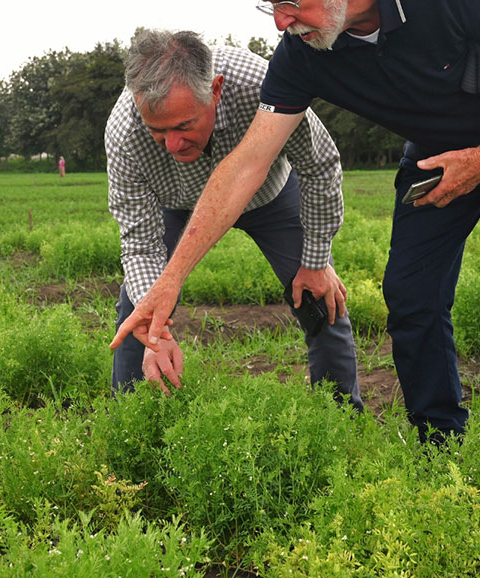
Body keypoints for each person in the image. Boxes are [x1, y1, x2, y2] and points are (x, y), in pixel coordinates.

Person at [111, 0, 480, 521]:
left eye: (288, 0)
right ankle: (438, 455)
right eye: (268, 5)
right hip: (438, 151)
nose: (279, 22)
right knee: (411, 295)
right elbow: (246, 165)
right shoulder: (304, 53)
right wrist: (168, 284)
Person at [105, 27, 362, 407]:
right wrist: (154, 334)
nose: (172, 144)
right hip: (177, 206)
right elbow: (140, 242)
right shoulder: (123, 132)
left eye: (183, 126)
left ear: (216, 90)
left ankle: (341, 418)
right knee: (139, 313)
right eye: (157, 131)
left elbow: (318, 164)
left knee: (320, 297)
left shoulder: (260, 84)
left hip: (269, 196)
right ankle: (130, 425)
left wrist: (316, 259)